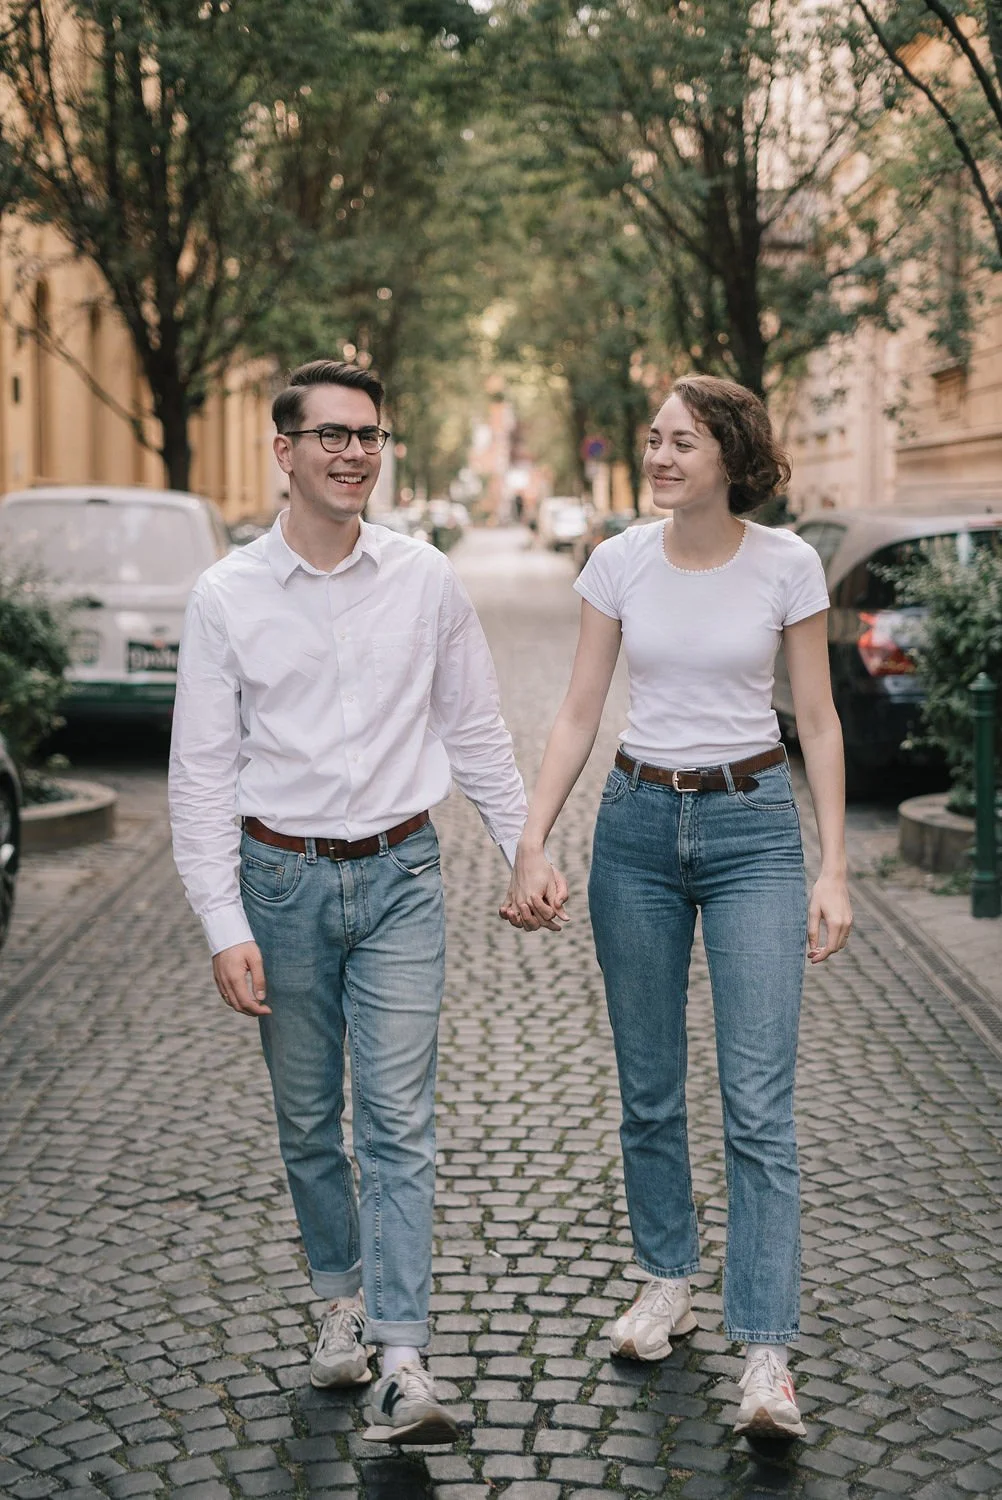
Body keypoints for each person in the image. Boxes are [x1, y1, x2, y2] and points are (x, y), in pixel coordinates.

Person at [169, 359, 532, 1445]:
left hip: (403, 877)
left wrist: (525, 846)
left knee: (397, 1121)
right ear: (283, 452)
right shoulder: (226, 595)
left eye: (369, 435)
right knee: (306, 1122)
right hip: (277, 882)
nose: (353, 452)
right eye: (331, 434)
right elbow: (202, 774)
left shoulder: (425, 579)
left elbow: (475, 731)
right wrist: (223, 922)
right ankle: (340, 1302)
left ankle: (405, 1356)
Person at [500, 374, 852, 1442]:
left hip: (753, 831)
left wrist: (834, 867)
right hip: (639, 829)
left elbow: (822, 726)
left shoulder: (788, 564)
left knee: (759, 1103)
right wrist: (532, 836)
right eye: (652, 439)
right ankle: (665, 1281)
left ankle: (766, 1355)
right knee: (649, 1088)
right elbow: (576, 710)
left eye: (681, 441)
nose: (659, 456)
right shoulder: (617, 561)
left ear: (731, 454)